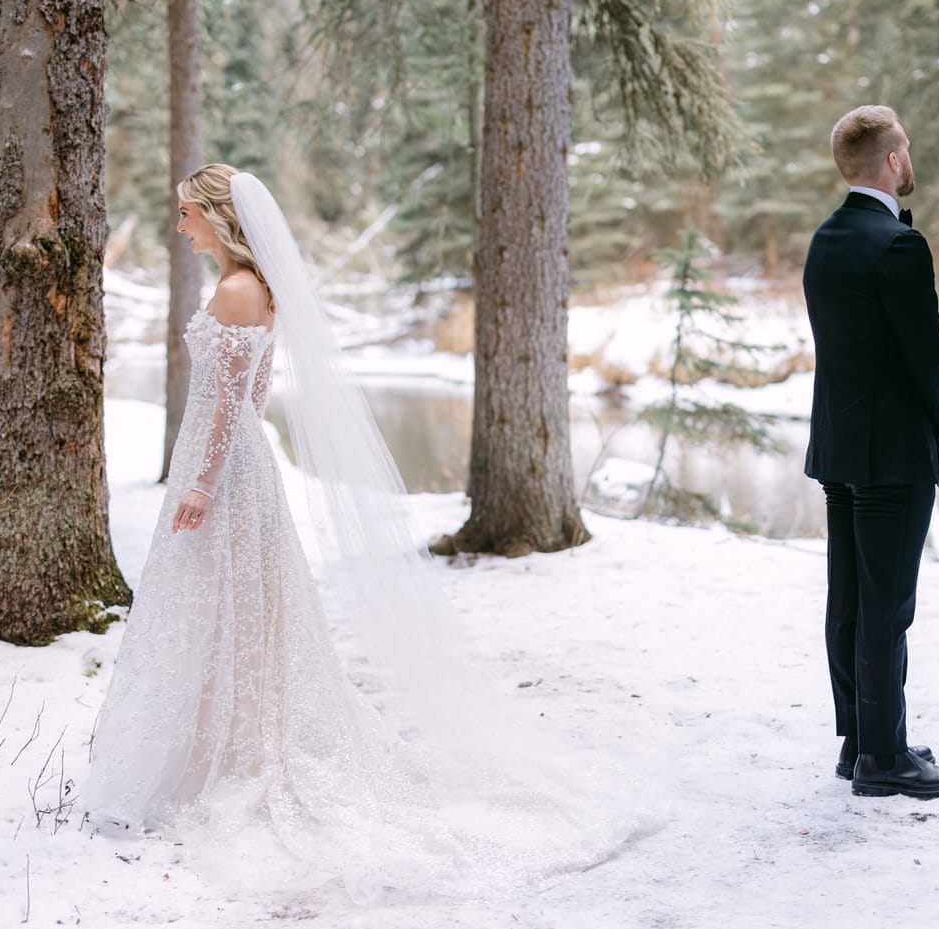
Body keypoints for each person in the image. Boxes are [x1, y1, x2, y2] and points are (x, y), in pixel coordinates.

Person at [84, 164, 652, 901]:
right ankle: (221, 738)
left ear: (219, 217)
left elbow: (227, 402)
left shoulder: (234, 290)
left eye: (188, 212)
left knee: (217, 597)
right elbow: (251, 395)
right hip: (240, 460)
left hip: (220, 465)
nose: (179, 224)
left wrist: (200, 479)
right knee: (239, 603)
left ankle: (218, 747)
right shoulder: (259, 288)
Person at [802, 106, 939, 800]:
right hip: (893, 455)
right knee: (886, 606)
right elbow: (925, 350)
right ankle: (884, 757)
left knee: (850, 597)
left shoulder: (826, 239)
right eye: (907, 149)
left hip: (840, 448)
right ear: (893, 160)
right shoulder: (899, 245)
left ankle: (861, 740)